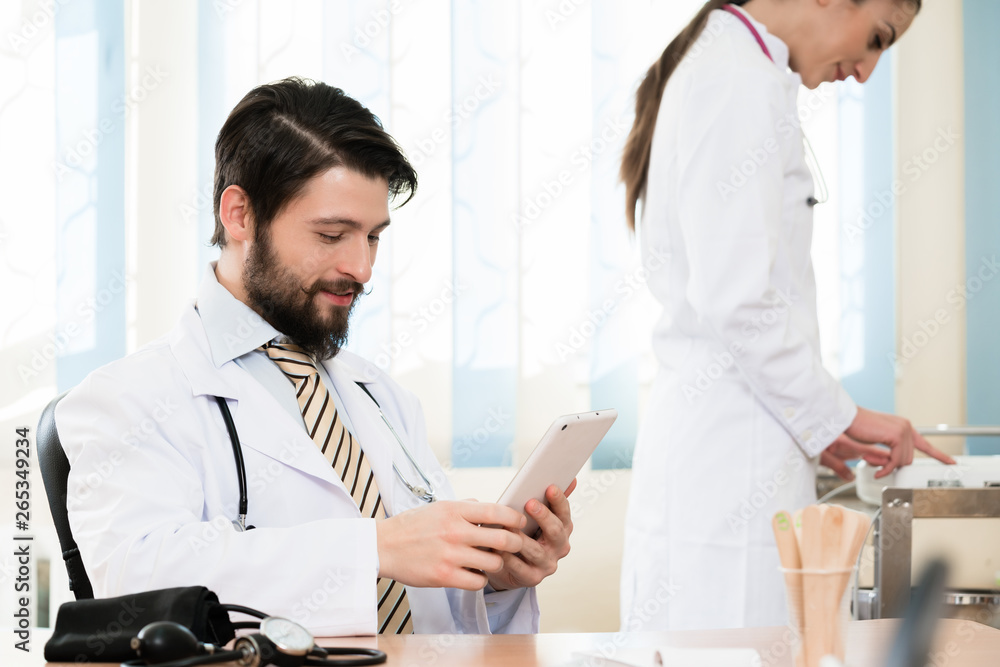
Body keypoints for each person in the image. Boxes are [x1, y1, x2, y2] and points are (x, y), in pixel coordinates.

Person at [56, 77, 573, 636]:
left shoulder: (381, 399)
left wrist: (494, 577)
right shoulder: (127, 399)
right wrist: (373, 548)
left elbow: (433, 611)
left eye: (373, 236)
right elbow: (139, 585)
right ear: (240, 215)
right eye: (332, 234)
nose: (363, 268)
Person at [617, 0, 954, 631]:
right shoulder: (736, 79)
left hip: (730, 445)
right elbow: (736, 297)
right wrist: (841, 414)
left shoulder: (736, 68)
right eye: (878, 37)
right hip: (725, 460)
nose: (867, 71)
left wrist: (821, 425)